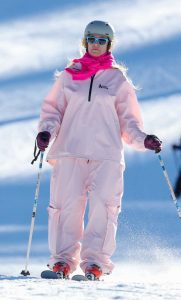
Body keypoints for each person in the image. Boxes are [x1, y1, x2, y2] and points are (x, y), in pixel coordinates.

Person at [36, 20, 162, 280]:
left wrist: (144, 139)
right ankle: (62, 262)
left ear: (109, 44)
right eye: (91, 39)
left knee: (105, 208)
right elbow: (53, 111)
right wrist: (46, 131)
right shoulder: (69, 75)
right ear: (85, 41)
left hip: (107, 155)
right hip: (70, 151)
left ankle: (95, 264)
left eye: (101, 40)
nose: (96, 44)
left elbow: (130, 122)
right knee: (65, 207)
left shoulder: (117, 79)